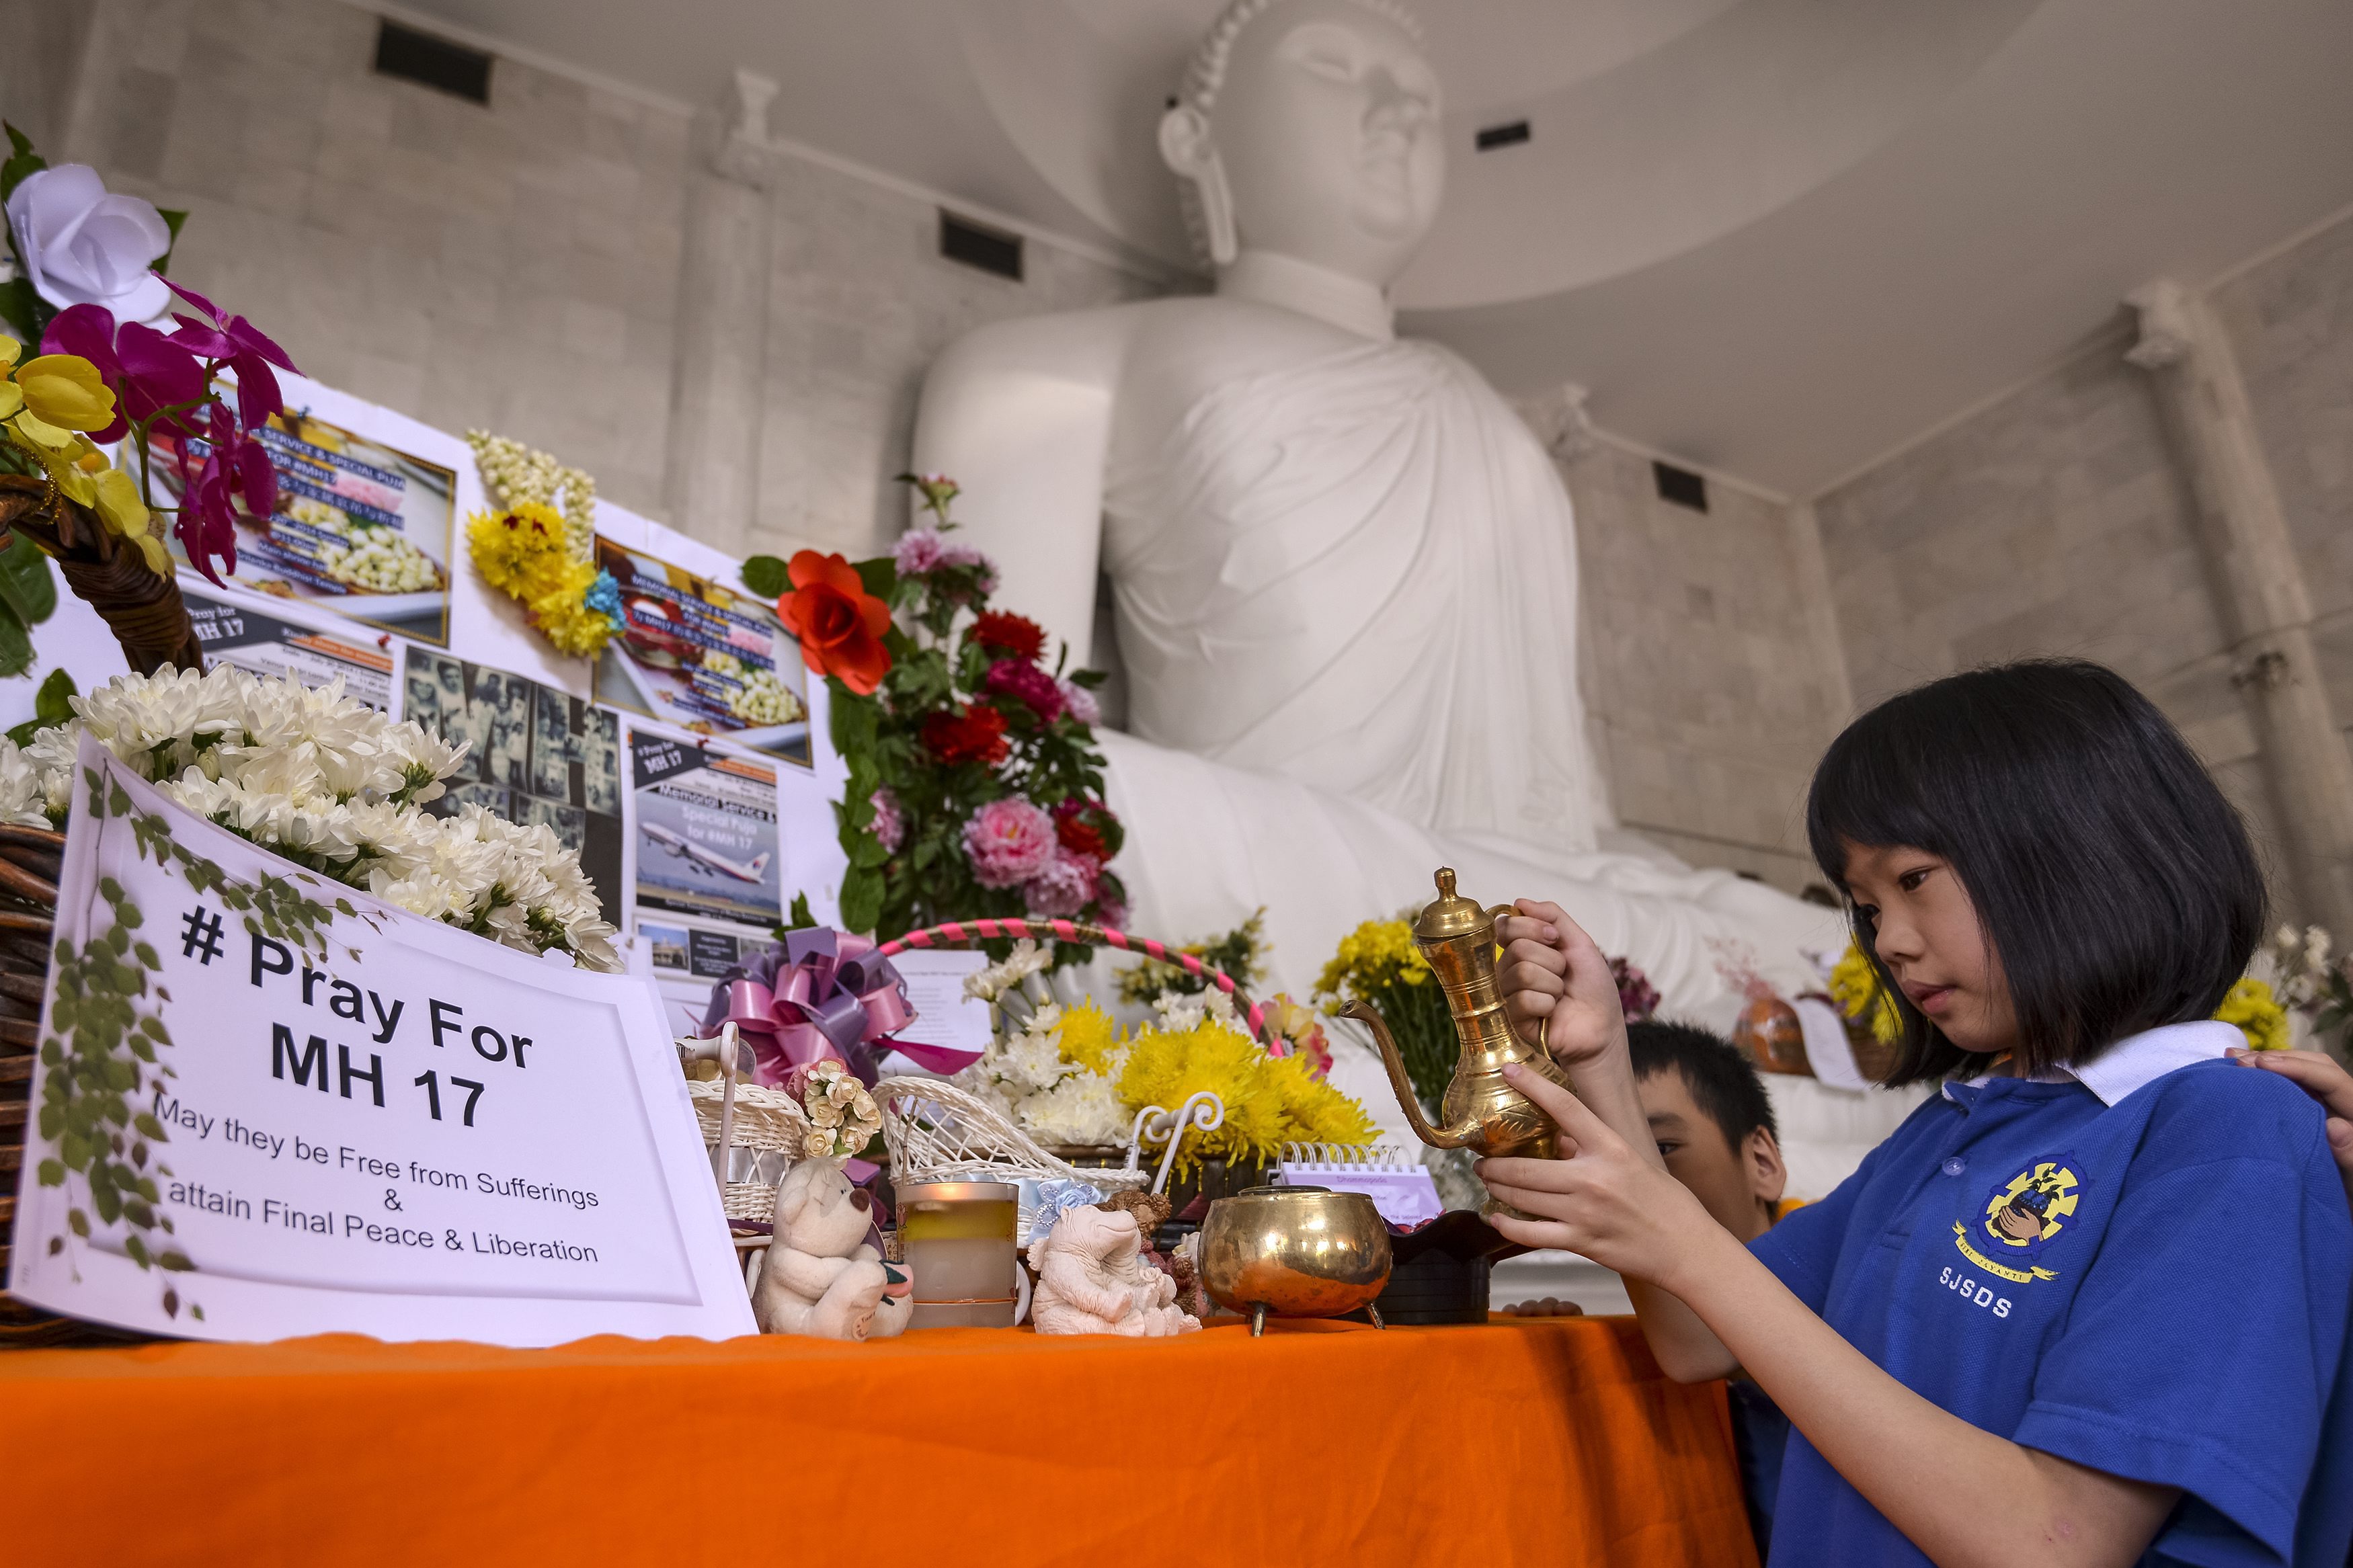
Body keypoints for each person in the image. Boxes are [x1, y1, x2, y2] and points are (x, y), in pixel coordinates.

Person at [1480, 659, 2353, 1567]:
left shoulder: (2224, 1129)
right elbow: (1699, 1335)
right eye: (1865, 907)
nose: (1889, 941)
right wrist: (1603, 1064)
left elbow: (2054, 1542)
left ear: (2075, 848)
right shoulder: (1955, 1130)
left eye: (1914, 879)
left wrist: (1684, 1239)